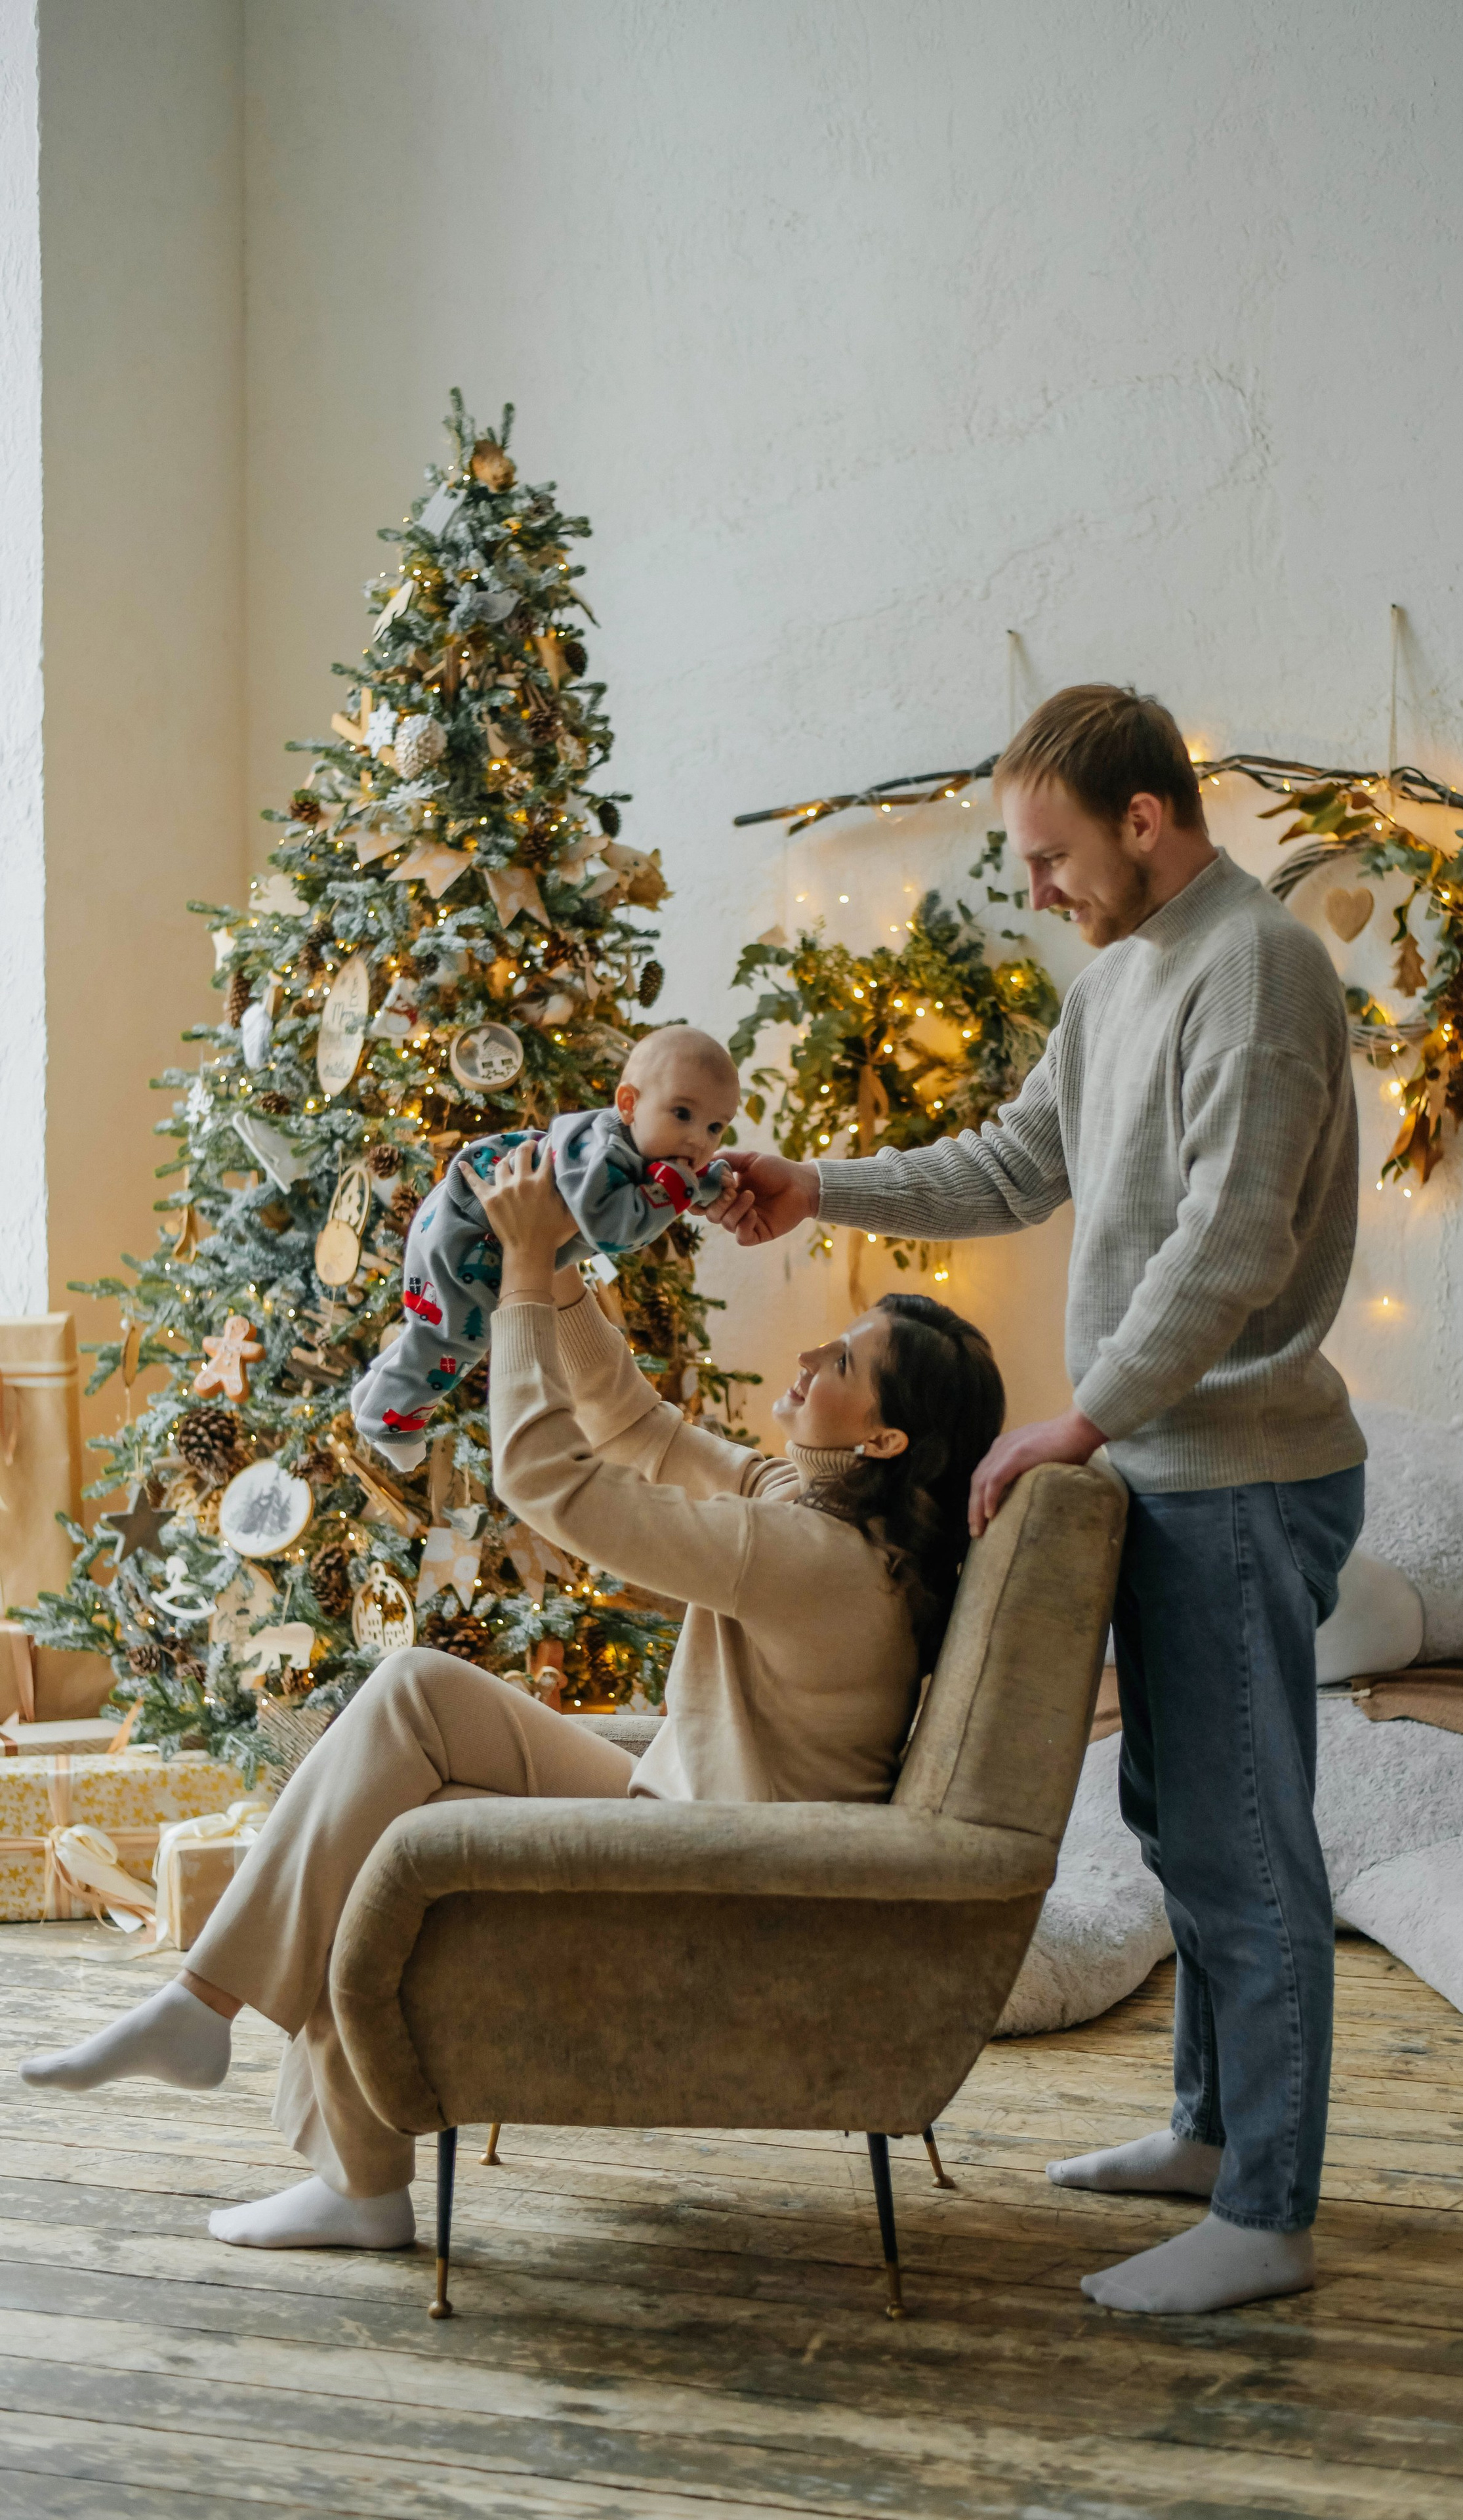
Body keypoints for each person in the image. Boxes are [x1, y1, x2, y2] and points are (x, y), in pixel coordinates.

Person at [20, 1138, 1005, 2252]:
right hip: (685, 1810)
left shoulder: (806, 1559)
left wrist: (526, 1282)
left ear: (883, 1436)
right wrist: (564, 1266)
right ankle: (206, 2015)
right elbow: (639, 1431)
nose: (813, 1354)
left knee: (403, 1819)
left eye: (844, 1358)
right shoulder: (829, 1517)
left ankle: (337, 2161)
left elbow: (549, 1483)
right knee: (415, 1694)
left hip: (716, 1868)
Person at [716, 684, 1365, 2315]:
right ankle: (1213, 2138)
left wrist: (1075, 1418)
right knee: (1174, 1821)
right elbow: (1013, 1167)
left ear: (1142, 819)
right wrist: (822, 1185)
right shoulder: (1119, 980)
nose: (1037, 890)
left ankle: (1267, 2212)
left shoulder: (1259, 967)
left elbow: (1234, 1246)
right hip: (1156, 1468)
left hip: (1235, 1470)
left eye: (1048, 853)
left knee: (1242, 1847)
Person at [352, 1024, 739, 1468]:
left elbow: (660, 1182)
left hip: (470, 1220)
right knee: (457, 1339)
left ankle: (376, 1392)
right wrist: (682, 1190)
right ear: (629, 1104)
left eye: (715, 1127)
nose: (699, 1140)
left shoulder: (636, 1147)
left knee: (433, 1330)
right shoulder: (602, 1153)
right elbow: (616, 1230)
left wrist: (705, 1184)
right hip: (471, 1234)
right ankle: (390, 1423)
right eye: (683, 1114)